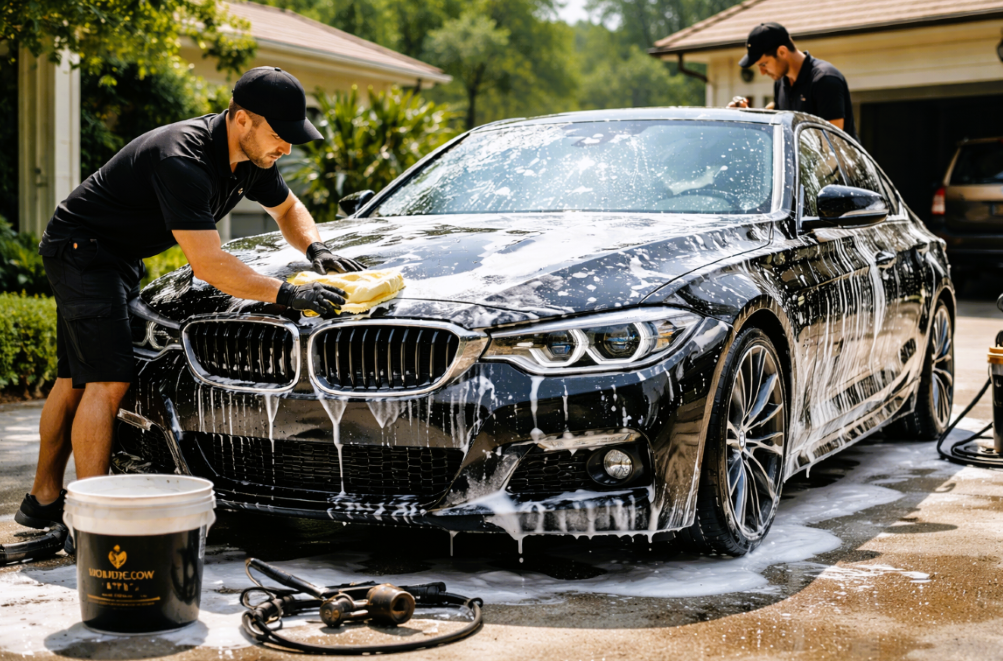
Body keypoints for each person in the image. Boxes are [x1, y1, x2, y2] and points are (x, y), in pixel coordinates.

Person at [15, 66, 362, 532]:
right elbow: (210, 265)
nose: (286, 148)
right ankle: (92, 520)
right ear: (243, 120)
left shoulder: (250, 159)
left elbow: (288, 208)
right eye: (280, 135)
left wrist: (315, 248)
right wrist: (290, 293)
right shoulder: (182, 159)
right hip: (83, 251)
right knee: (107, 379)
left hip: (112, 254)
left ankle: (43, 500)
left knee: (74, 379)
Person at [728, 22, 856, 140]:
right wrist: (745, 114)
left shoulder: (825, 79)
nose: (762, 72)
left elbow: (833, 144)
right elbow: (777, 121)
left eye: (763, 64)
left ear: (782, 52)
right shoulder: (781, 82)